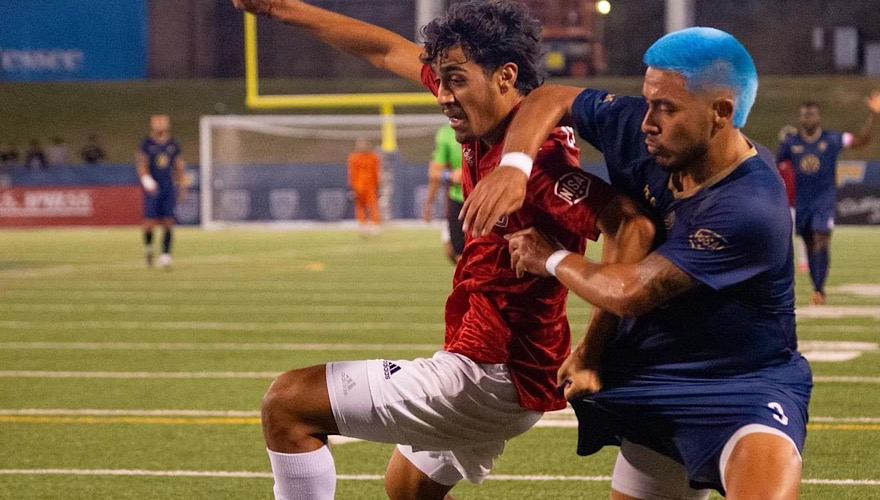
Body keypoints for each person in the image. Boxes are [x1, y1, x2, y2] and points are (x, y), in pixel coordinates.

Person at [229, 1, 653, 499]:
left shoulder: (540, 165)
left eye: (456, 81)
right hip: (500, 366)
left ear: (505, 76)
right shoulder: (485, 108)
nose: (443, 95)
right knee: (407, 489)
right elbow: (382, 48)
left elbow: (632, 225)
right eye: (441, 80)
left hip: (492, 373)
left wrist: (593, 348)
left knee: (287, 404)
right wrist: (280, 8)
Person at [464, 27, 811, 499]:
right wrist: (515, 166)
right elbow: (551, 96)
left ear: (721, 114)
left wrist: (551, 257)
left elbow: (631, 291)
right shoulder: (644, 130)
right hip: (652, 376)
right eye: (648, 101)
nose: (647, 121)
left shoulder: (749, 207)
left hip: (740, 388)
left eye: (666, 108)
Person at [776, 96, 880, 304]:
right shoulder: (791, 143)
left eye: (812, 114)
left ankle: (819, 289)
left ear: (818, 117)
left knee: (821, 238)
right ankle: (817, 286)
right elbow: (775, 165)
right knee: (809, 243)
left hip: (824, 200)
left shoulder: (832, 139)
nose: (809, 118)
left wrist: (873, 115)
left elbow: (861, 140)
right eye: (806, 115)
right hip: (802, 202)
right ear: (801, 118)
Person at [137, 114, 186, 269]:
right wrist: (146, 180)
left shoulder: (173, 145)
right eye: (157, 122)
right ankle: (149, 249)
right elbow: (142, 164)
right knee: (149, 224)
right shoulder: (147, 144)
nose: (160, 125)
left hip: (168, 187)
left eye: (162, 122)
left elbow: (179, 167)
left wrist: (182, 186)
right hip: (153, 188)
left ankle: (165, 255)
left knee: (168, 222)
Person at [423, 124, 464, 263]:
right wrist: (450, 175)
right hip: (457, 199)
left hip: (483, 198)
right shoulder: (446, 133)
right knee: (452, 251)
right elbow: (435, 172)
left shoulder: (487, 127)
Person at [347, 137, 382, 234]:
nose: (362, 146)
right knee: (360, 206)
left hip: (371, 185)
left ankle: (375, 225)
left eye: (364, 144)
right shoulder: (353, 157)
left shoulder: (373, 157)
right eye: (360, 144)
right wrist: (351, 187)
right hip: (358, 186)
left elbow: (376, 171)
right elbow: (352, 173)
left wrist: (378, 185)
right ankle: (362, 225)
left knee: (373, 205)